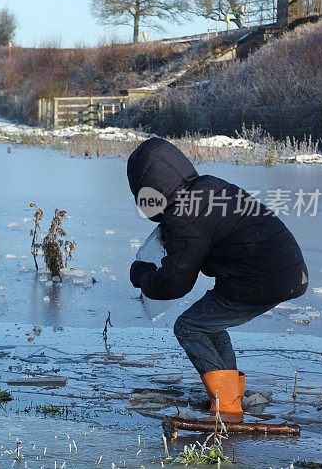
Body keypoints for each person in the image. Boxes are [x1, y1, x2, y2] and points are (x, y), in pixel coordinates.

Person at [127, 137, 308, 420]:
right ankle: (231, 393)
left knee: (188, 327)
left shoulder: (184, 215)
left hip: (263, 277)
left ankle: (227, 405)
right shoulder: (209, 187)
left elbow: (175, 283)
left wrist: (142, 275)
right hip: (286, 270)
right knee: (209, 324)